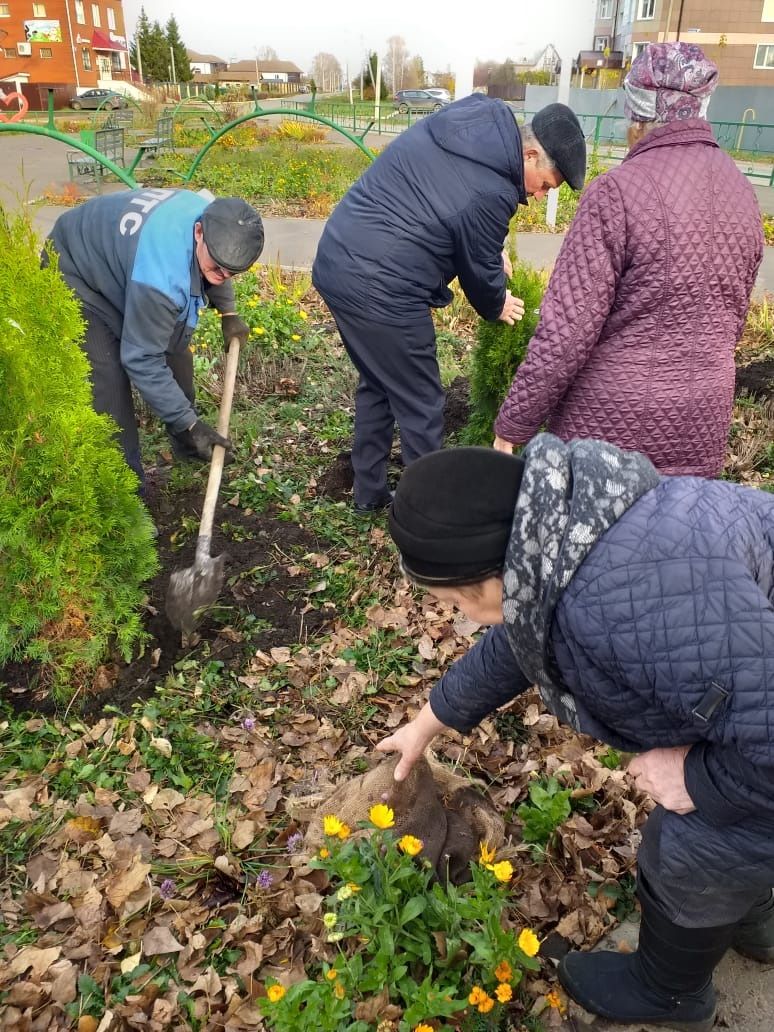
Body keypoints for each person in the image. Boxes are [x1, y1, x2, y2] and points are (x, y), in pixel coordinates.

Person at [378, 440, 774, 1031]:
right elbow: (523, 640)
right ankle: (758, 922)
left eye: (450, 601)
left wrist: (693, 776)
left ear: (479, 585)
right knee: (729, 836)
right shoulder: (571, 527)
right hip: (753, 674)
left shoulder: (618, 609)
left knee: (690, 850)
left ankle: (669, 992)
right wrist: (427, 723)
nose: (454, 612)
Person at [494, 43, 764, 478]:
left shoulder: (616, 194)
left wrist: (514, 424)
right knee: (671, 542)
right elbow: (732, 320)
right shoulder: (743, 194)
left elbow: (566, 332)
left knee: (602, 544)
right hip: (702, 423)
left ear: (638, 117)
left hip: (610, 431)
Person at [312, 95, 587, 513]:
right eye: (545, 184)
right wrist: (497, 302)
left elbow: (447, 205)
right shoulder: (494, 190)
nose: (536, 195)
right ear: (530, 154)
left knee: (380, 384)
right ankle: (430, 517)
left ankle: (368, 495)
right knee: (422, 404)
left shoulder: (477, 122)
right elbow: (479, 272)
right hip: (382, 287)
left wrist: (486, 247)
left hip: (338, 260)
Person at [45, 189, 264, 489]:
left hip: (122, 261)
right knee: (109, 378)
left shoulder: (215, 217)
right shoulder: (162, 273)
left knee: (177, 354)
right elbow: (141, 358)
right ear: (199, 232)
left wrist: (228, 313)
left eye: (232, 272)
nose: (222, 274)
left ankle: (187, 441)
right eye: (216, 266)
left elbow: (217, 267)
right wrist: (191, 424)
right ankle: (125, 491)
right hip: (75, 268)